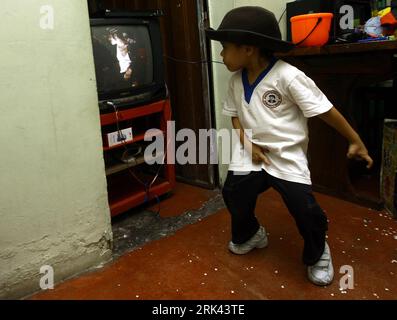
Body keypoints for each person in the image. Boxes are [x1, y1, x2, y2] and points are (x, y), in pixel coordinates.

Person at [206, 6, 373, 286]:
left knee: (304, 208)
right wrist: (248, 145)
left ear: (248, 49)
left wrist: (355, 139)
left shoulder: (288, 76)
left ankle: (318, 252)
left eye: (225, 48)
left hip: (286, 154)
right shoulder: (236, 81)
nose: (221, 55)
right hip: (253, 152)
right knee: (234, 192)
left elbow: (325, 110)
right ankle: (251, 234)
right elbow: (235, 116)